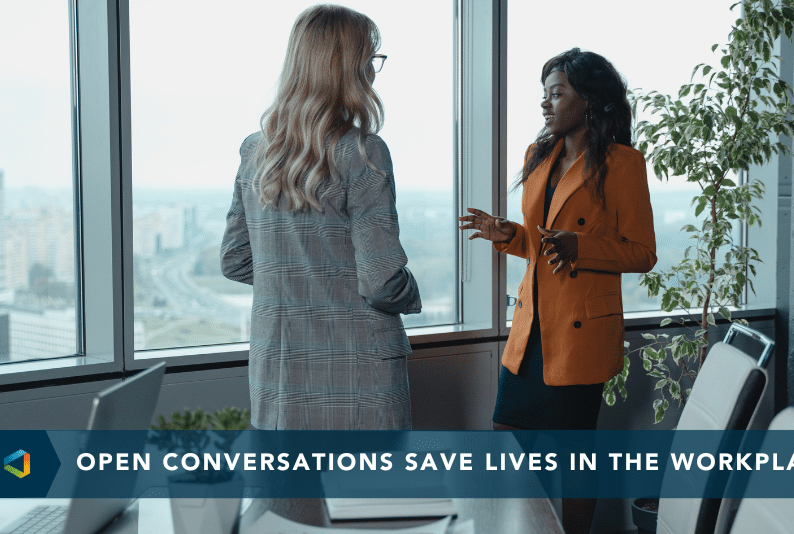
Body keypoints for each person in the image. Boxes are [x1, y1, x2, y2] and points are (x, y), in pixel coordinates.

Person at [459, 48, 657, 533]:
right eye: (543, 95)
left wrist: (581, 246)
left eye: (557, 93)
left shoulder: (623, 164)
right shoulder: (538, 156)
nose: (545, 104)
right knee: (507, 440)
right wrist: (510, 236)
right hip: (531, 329)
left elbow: (641, 253)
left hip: (580, 332)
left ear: (587, 100)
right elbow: (542, 245)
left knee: (575, 459)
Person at [221, 4, 421, 431]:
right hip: (360, 376)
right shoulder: (362, 152)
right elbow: (382, 282)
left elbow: (235, 260)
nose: (373, 70)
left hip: (279, 377)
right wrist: (412, 293)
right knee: (366, 498)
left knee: (292, 497)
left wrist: (300, 279)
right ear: (347, 67)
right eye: (371, 58)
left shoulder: (255, 151)